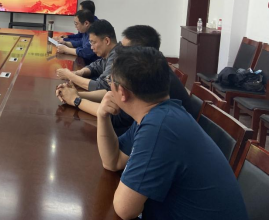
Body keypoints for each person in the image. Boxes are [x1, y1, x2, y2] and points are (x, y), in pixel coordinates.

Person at [97, 47, 248, 220]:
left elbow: (125, 209)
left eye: (110, 81)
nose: (109, 87)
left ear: (122, 92)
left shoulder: (160, 128)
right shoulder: (160, 114)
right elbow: (113, 161)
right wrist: (103, 117)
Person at [57, 25, 196, 134]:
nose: (118, 53)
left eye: (123, 50)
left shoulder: (149, 78)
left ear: (140, 55)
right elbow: (111, 94)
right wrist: (78, 94)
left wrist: (76, 100)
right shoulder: (152, 69)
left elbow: (115, 116)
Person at [56, 19, 118, 92]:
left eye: (93, 42)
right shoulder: (111, 54)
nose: (91, 47)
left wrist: (70, 76)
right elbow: (95, 66)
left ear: (107, 41)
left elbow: (101, 86)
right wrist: (79, 72)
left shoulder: (117, 58)